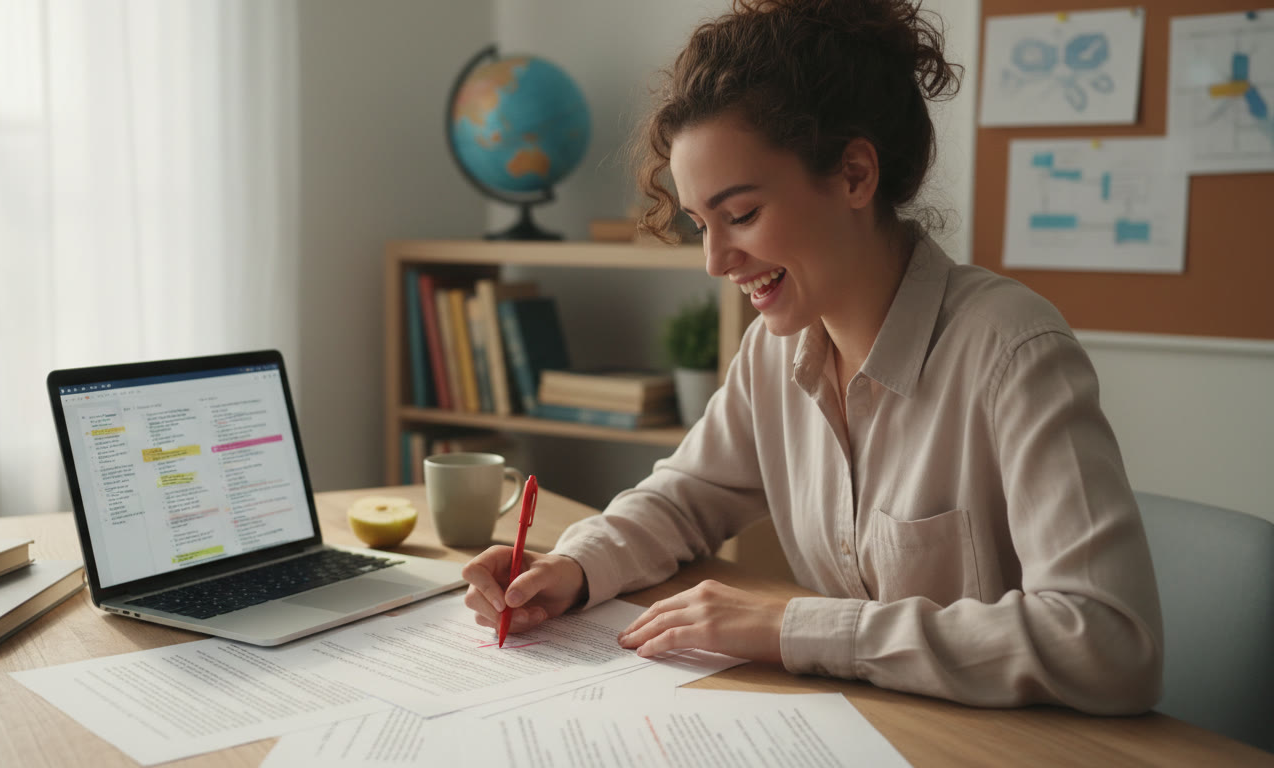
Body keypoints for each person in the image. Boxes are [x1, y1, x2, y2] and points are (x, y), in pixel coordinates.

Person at [461, 0, 1163, 714]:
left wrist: (793, 627)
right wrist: (573, 566)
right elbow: (683, 497)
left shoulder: (1012, 348)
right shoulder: (776, 349)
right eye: (701, 224)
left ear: (856, 175)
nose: (714, 260)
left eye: (741, 217)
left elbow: (1106, 643)